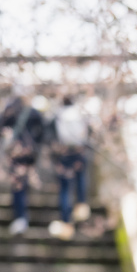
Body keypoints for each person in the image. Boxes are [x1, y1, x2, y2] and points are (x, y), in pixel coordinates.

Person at [0, 95, 48, 235]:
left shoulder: (9, 112)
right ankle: (21, 217)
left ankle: (20, 217)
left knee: (18, 185)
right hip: (26, 155)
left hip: (15, 156)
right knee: (21, 184)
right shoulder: (33, 113)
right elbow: (42, 132)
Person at [47, 96, 92, 240]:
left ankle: (66, 221)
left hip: (64, 153)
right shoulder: (80, 114)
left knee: (65, 187)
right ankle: (81, 206)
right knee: (80, 179)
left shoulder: (58, 115)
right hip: (79, 152)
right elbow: (88, 132)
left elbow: (50, 135)